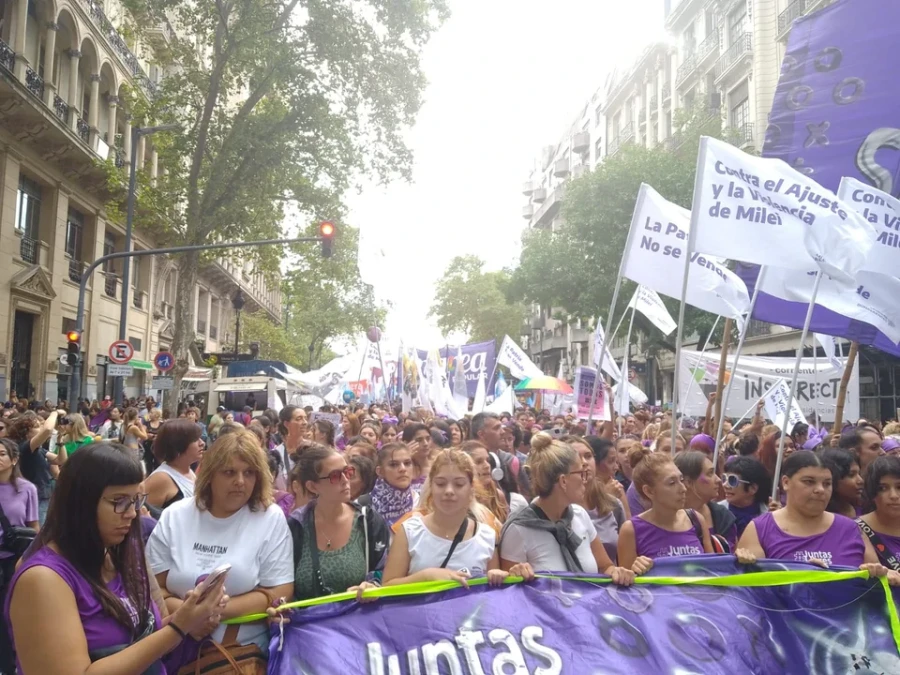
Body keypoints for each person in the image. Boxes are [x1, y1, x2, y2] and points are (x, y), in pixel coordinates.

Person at [5, 443, 225, 674]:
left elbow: (140, 643)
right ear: (81, 502)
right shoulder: (43, 580)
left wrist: (189, 617)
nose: (131, 513)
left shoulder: (118, 557)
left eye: (136, 501)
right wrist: (178, 628)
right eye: (118, 501)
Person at [147, 430, 294, 653]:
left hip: (240, 654)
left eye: (249, 473)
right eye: (229, 472)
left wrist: (210, 612)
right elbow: (152, 588)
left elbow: (280, 590)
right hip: (172, 650)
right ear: (210, 474)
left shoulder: (270, 517)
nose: (240, 482)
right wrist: (187, 617)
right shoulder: (175, 515)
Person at [500, 433, 649, 583]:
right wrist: (516, 576)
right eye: (581, 474)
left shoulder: (579, 515)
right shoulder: (518, 530)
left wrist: (618, 572)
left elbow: (605, 566)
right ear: (563, 481)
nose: (585, 480)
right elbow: (511, 597)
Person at [384, 449, 533, 587]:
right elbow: (388, 586)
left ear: (471, 489)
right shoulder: (409, 531)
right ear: (431, 487)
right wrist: (426, 576)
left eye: (459, 484)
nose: (449, 491)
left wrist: (501, 576)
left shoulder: (487, 536)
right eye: (441, 484)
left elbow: (491, 594)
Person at [737, 451, 896, 580]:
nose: (820, 489)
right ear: (785, 482)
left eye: (827, 484)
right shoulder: (759, 529)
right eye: (809, 482)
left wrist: (876, 573)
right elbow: (750, 594)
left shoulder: (851, 529)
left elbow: (878, 583)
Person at [286, 446, 389, 600]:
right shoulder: (296, 526)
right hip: (308, 622)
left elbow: (386, 572)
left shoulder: (368, 521)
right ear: (312, 486)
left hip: (357, 620)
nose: (345, 480)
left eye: (347, 472)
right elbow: (281, 583)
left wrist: (373, 585)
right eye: (335, 476)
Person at [617, 447, 714, 567]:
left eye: (681, 479)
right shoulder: (631, 530)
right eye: (672, 483)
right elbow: (626, 581)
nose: (683, 489)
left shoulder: (695, 519)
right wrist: (635, 570)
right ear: (649, 491)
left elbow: (713, 570)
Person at [0, 438, 38, 673]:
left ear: (14, 460)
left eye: (2, 453)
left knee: (12, 616)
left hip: (15, 561)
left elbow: (34, 527)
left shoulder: (27, 488)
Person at [567, 436, 627, 563]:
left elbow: (625, 555)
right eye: (576, 457)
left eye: (588, 456)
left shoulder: (613, 504)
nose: (584, 462)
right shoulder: (557, 507)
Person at [674, 450, 736, 551]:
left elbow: (733, 559)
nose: (718, 480)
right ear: (688, 482)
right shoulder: (664, 517)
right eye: (710, 473)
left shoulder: (723, 516)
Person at [7, 410, 61, 525]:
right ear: (27, 432)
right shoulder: (25, 447)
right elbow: (47, 430)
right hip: (36, 495)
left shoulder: (38, 449)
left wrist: (61, 442)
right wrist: (54, 413)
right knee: (37, 531)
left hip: (42, 494)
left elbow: (60, 460)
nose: (41, 428)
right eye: (37, 426)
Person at [144, 419, 204, 517]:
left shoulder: (188, 471)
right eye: (195, 440)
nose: (202, 443)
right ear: (178, 445)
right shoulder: (162, 478)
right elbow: (144, 519)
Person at [357, 442, 419, 527]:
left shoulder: (419, 502)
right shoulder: (362, 506)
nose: (403, 469)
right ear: (380, 471)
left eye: (407, 463)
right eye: (393, 465)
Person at [857, 455, 900, 567]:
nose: (894, 496)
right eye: (883, 488)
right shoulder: (856, 529)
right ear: (872, 492)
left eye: (899, 487)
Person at [720, 456, 771, 539]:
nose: (725, 485)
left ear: (753, 488)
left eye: (732, 481)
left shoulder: (768, 514)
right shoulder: (716, 512)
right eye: (724, 479)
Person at [820, 447, 864, 519]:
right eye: (851, 475)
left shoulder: (866, 508)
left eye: (859, 473)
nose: (860, 480)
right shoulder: (820, 518)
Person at [273, 406, 309, 490]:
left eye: (305, 418)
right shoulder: (276, 454)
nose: (305, 422)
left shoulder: (314, 449)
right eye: (299, 419)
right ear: (286, 424)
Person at [402, 423, 434, 493]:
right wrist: (405, 457)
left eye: (428, 439)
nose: (425, 443)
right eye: (419, 440)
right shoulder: (401, 469)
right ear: (407, 443)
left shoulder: (437, 465)